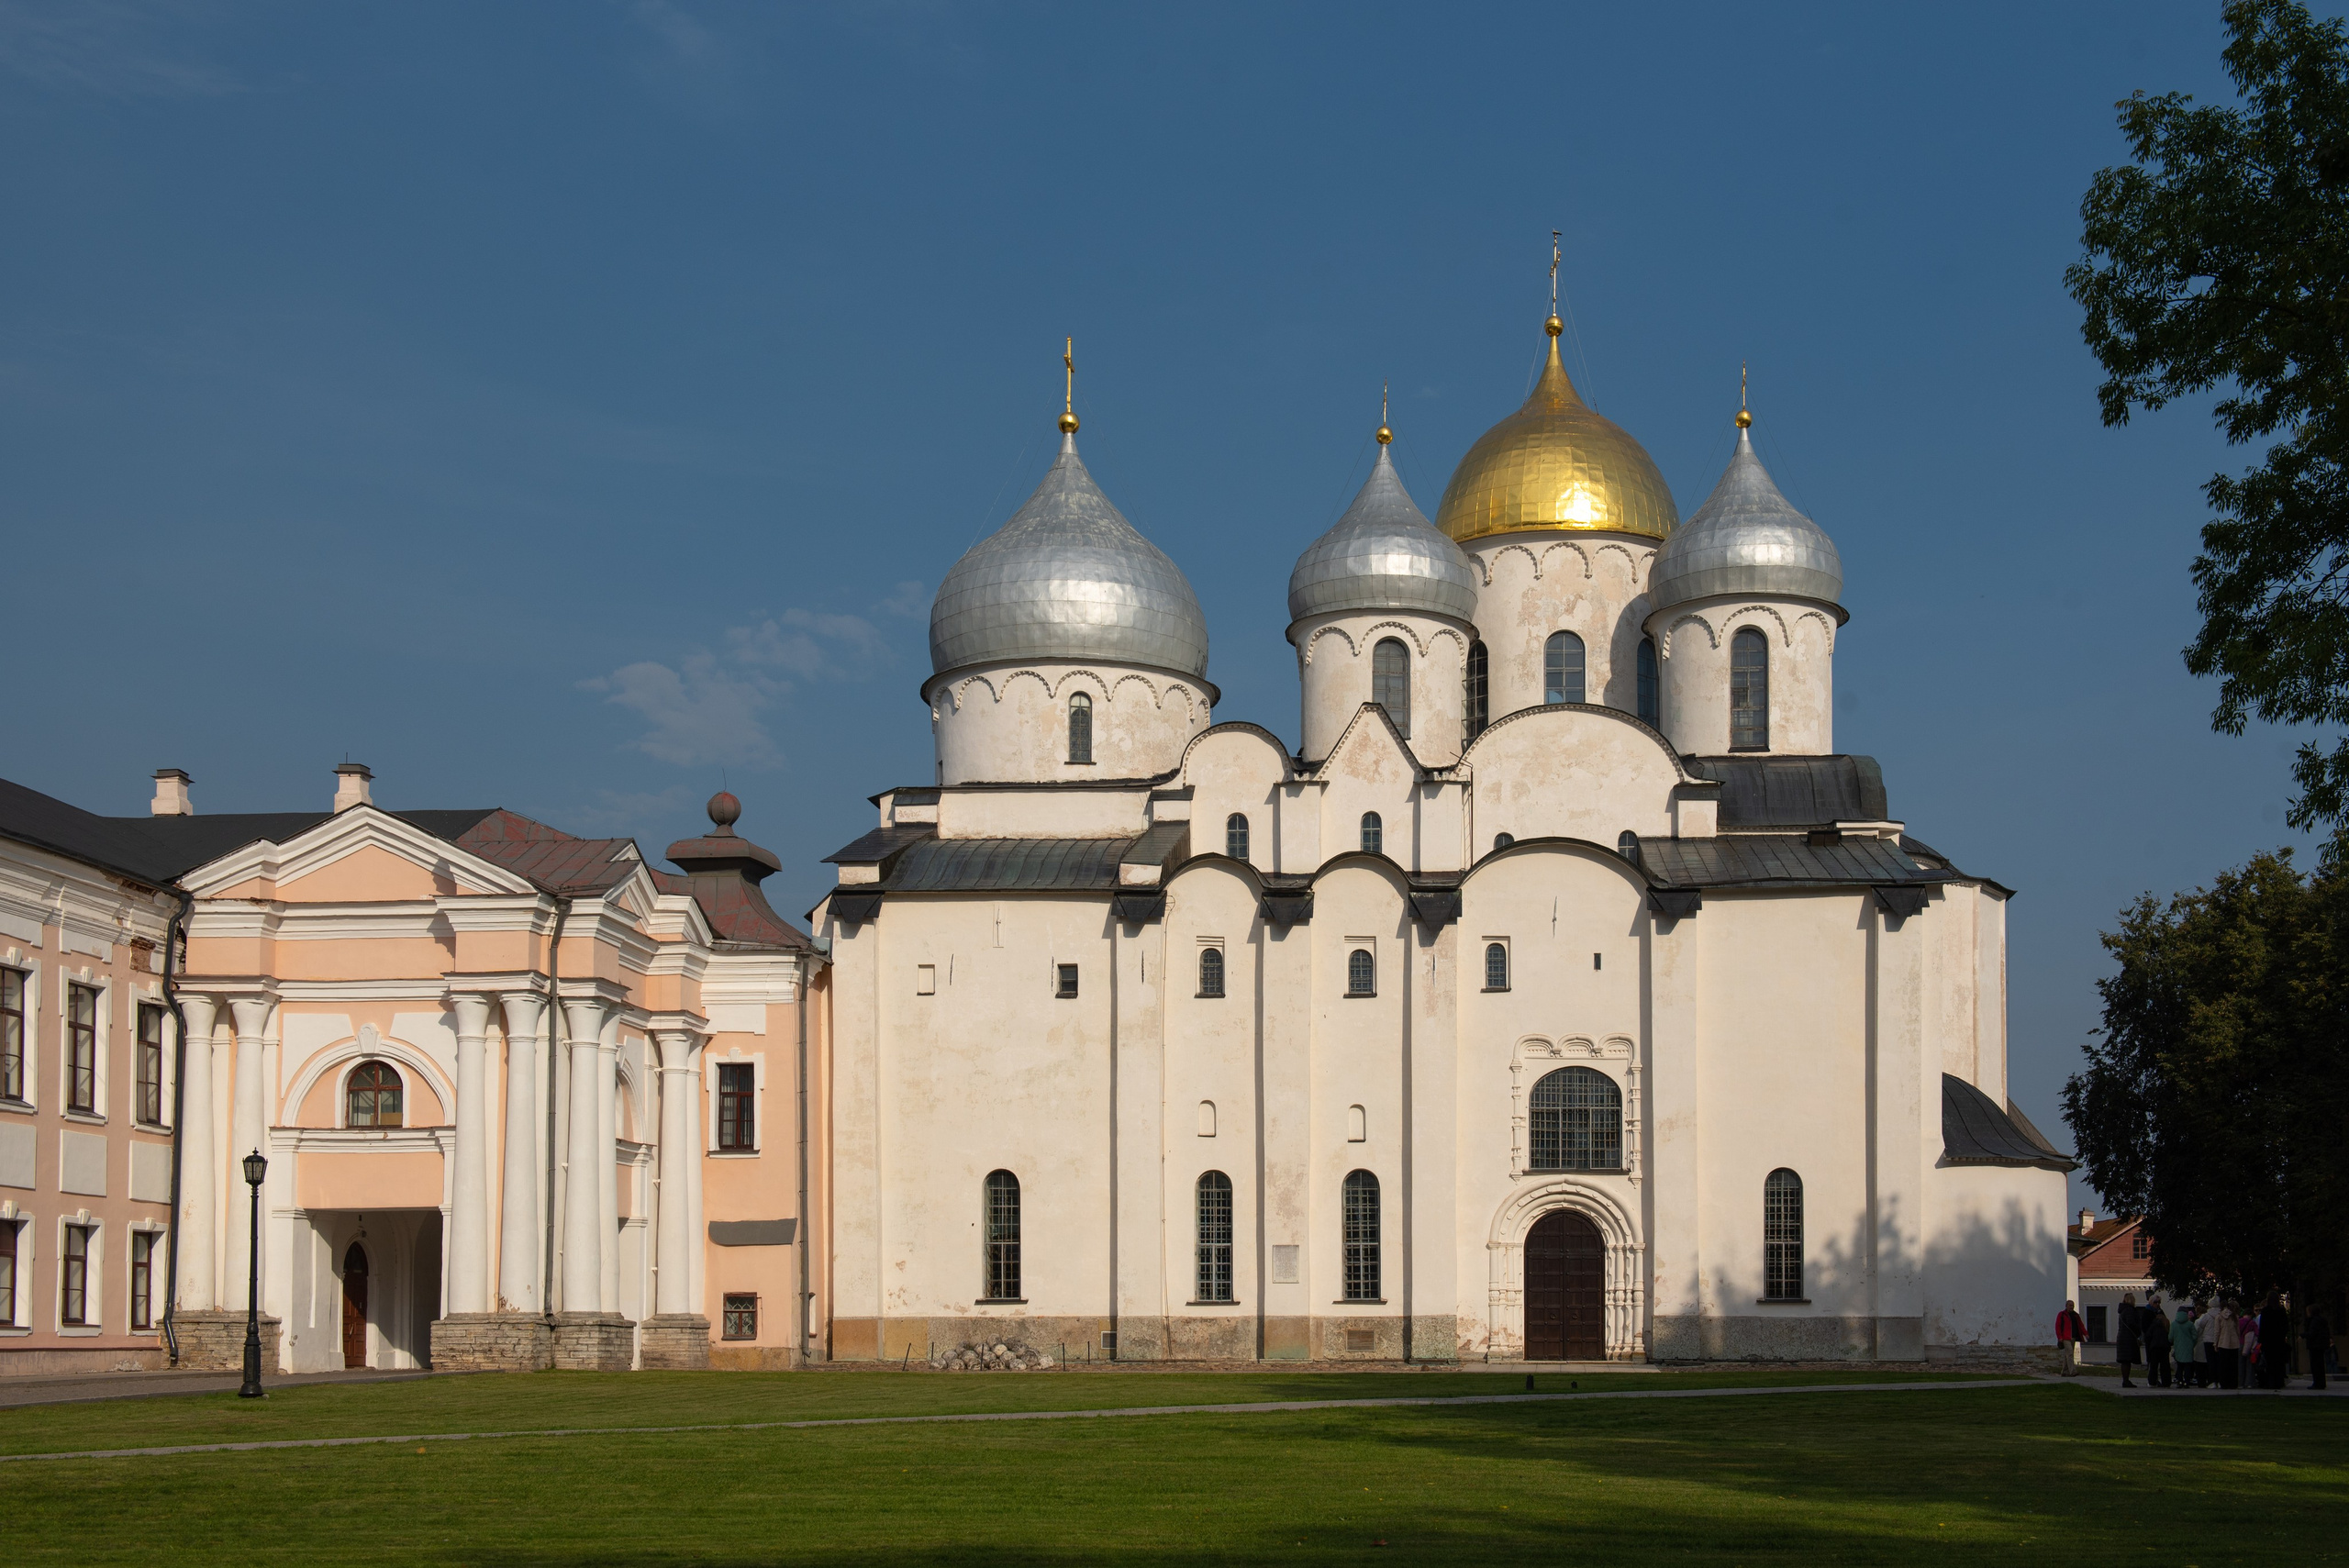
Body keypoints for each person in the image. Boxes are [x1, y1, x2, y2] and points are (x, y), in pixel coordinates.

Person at [2258, 1293, 2291, 1390]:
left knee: (2270, 1363)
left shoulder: (2265, 1311)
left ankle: (2271, 1382)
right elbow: (2285, 1326)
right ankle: (2279, 1381)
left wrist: (2261, 1341)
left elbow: (2263, 1327)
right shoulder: (2281, 1311)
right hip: (2279, 1341)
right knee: (2279, 1363)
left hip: (2268, 1341)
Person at [2172, 1297, 2203, 1387]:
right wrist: (2192, 1344)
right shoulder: (2190, 1324)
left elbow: (2170, 1337)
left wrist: (2175, 1342)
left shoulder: (2174, 1324)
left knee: (2180, 1366)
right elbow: (2194, 1336)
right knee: (2188, 1366)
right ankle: (2187, 1382)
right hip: (2188, 1348)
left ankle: (2180, 1381)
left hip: (2178, 1347)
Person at [2211, 1296, 2242, 1389]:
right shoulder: (2235, 1317)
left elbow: (2217, 1332)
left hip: (2223, 1343)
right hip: (2234, 1343)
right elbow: (2238, 1331)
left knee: (2223, 1366)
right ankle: (2233, 1383)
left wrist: (2215, 1343)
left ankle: (2224, 1383)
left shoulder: (2219, 1317)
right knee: (2233, 1366)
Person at [2143, 1296, 2173, 1388]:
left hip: (2154, 1345)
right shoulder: (2149, 1314)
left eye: (2159, 1302)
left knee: (2154, 1365)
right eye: (2156, 1302)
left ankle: (2152, 1382)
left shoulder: (2154, 1323)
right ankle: (2166, 1382)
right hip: (2163, 1345)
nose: (2158, 1304)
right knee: (2165, 1365)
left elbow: (2147, 1333)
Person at [2115, 1292, 2142, 1388]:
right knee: (2127, 1361)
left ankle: (2125, 1380)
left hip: (2122, 1337)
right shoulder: (2129, 1310)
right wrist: (2138, 1331)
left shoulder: (2122, 1311)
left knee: (2125, 1361)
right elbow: (2131, 1323)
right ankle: (2126, 1381)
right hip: (2128, 1338)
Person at [2306, 1302, 2332, 1392]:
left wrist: (2303, 1335)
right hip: (2321, 1345)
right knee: (2320, 1365)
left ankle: (2317, 1383)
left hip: (2315, 1346)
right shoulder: (2322, 1321)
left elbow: (2312, 1333)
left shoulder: (2314, 1321)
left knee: (2315, 1365)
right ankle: (2321, 1383)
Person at [2055, 1300, 2086, 1376]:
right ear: (2066, 1306)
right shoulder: (2062, 1314)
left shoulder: (2076, 1315)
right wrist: (2060, 1337)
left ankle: (2064, 1371)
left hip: (2073, 1337)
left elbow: (2081, 1325)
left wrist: (2086, 1333)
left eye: (2072, 1305)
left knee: (2067, 1355)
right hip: (2065, 1338)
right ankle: (2072, 1371)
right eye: (2070, 1305)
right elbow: (2058, 1326)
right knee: (2070, 1353)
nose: (2071, 1307)